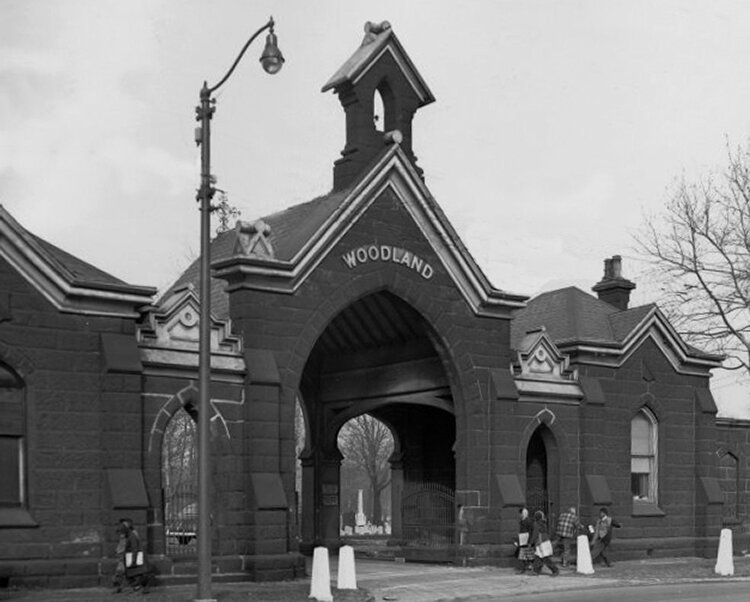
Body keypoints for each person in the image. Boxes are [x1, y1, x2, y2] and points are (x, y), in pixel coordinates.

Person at [117, 518, 150, 593]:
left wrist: (133, 560)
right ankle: (138, 587)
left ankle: (139, 587)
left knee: (135, 574)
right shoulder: (131, 535)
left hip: (133, 558)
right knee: (135, 574)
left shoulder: (131, 536)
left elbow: (134, 548)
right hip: (133, 558)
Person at [530, 510, 559, 576]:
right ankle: (536, 570)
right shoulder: (543, 523)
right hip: (545, 540)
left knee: (544, 557)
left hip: (541, 542)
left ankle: (555, 570)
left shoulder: (536, 524)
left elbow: (535, 534)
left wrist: (531, 542)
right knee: (538, 557)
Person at [515, 507, 535, 573]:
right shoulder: (524, 520)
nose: (519, 515)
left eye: (520, 514)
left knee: (527, 555)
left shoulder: (527, 521)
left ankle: (528, 568)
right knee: (524, 555)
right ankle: (525, 568)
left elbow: (530, 531)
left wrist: (530, 541)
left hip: (526, 540)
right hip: (524, 539)